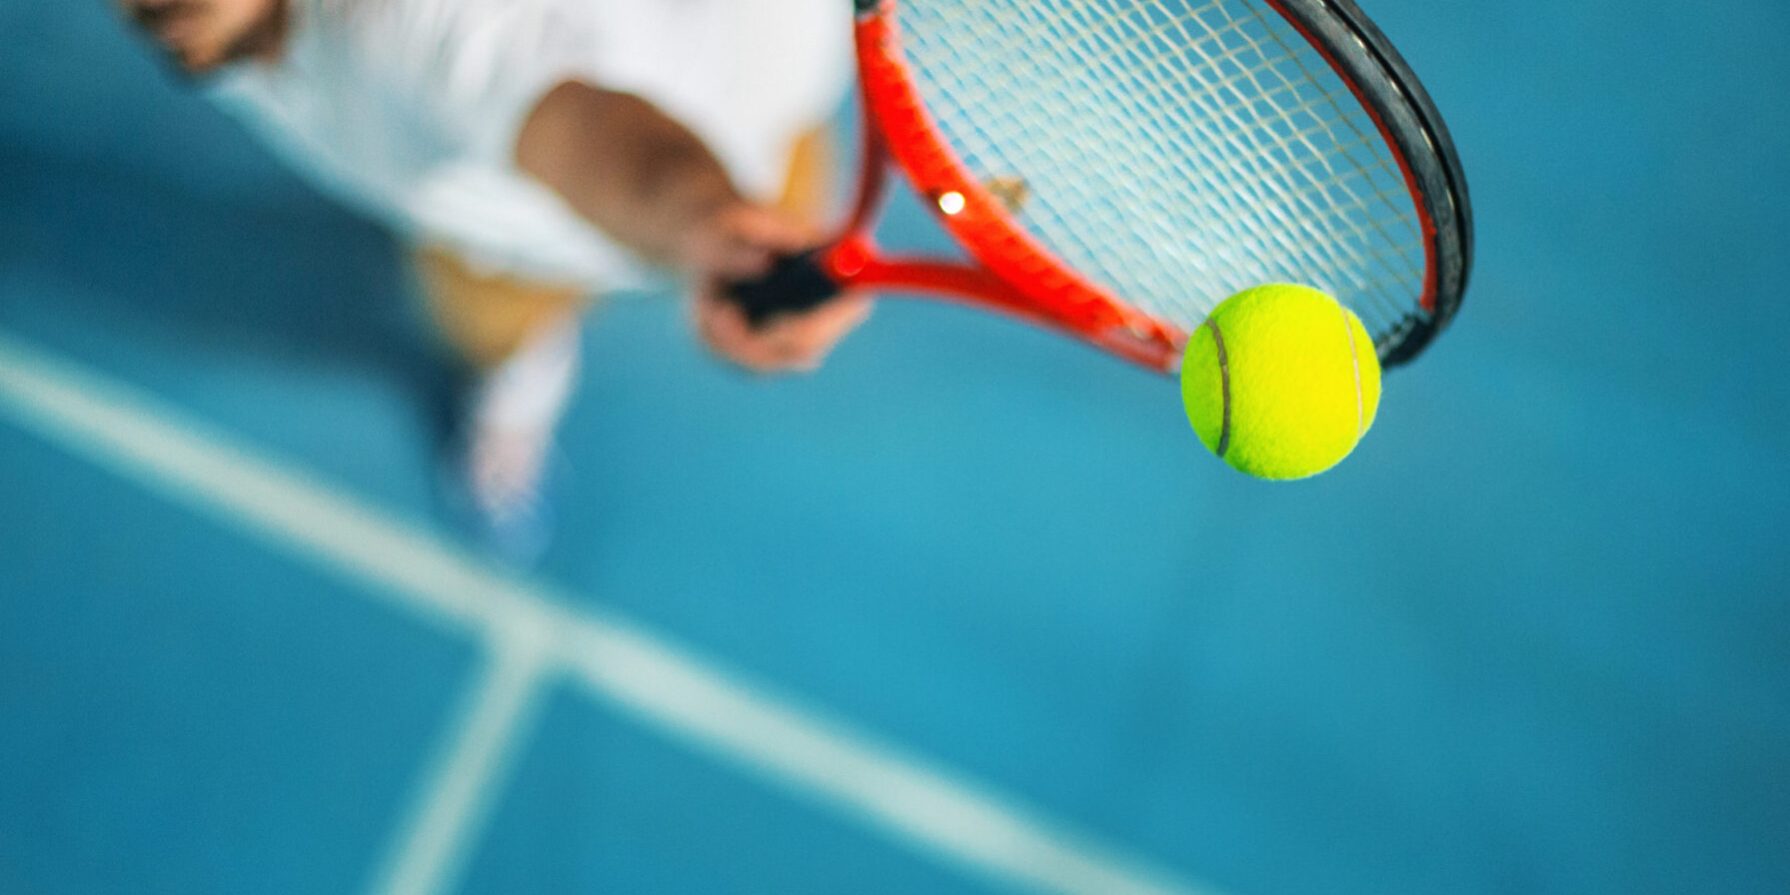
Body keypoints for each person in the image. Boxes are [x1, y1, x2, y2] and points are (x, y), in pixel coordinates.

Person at [117, 0, 871, 557]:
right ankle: (520, 386)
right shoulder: (204, 19)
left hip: (750, 133)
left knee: (789, 186)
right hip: (498, 214)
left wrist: (709, 219)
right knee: (489, 325)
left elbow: (593, 136)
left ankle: (514, 402)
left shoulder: (412, 24)